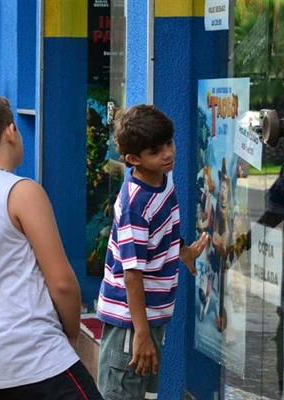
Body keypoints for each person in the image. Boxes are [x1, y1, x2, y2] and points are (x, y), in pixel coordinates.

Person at [0, 93, 102, 399]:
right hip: (36, 356)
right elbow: (62, 283)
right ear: (10, 132)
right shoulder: (22, 191)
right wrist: (71, 335)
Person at [95, 104, 210, 400]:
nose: (168, 154)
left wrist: (180, 251)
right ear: (134, 159)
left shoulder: (162, 179)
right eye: (156, 151)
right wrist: (141, 334)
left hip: (151, 316)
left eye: (169, 143)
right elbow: (131, 274)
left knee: (143, 393)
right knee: (122, 394)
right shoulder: (136, 204)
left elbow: (164, 230)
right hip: (130, 323)